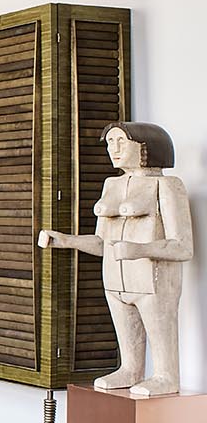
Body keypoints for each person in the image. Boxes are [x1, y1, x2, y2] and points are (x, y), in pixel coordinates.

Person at [37, 122, 192, 396]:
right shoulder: (112, 184)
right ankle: (130, 369)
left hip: (152, 282)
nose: (113, 149)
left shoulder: (167, 186)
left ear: (145, 147)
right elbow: (102, 243)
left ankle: (165, 376)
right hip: (115, 282)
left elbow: (182, 247)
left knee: (162, 346)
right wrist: (65, 240)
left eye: (121, 141)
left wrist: (139, 250)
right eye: (110, 142)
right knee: (128, 355)